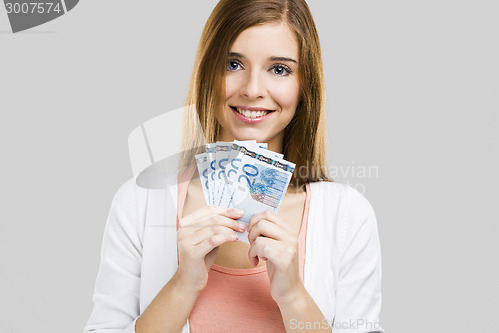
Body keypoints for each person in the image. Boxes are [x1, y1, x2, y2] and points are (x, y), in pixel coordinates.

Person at [84, 0, 384, 332]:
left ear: (304, 85)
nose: (253, 90)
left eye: (279, 69)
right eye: (232, 64)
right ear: (207, 71)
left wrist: (294, 297)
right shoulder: (141, 202)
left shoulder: (347, 215)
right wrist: (182, 285)